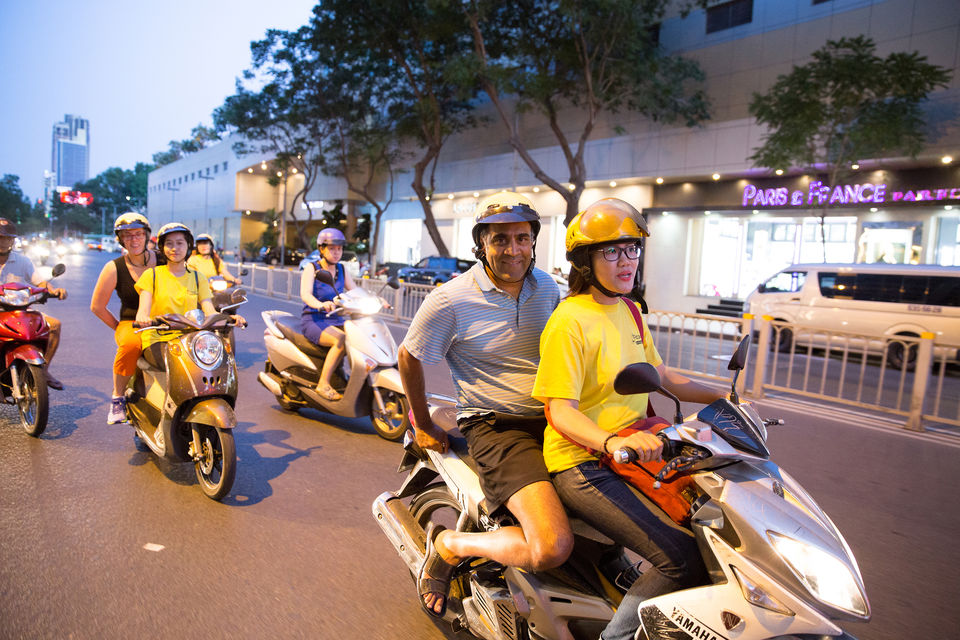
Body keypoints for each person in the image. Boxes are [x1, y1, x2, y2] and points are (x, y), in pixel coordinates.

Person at [532, 198, 725, 640]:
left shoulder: (629, 310)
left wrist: (724, 395)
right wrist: (609, 442)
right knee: (682, 558)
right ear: (586, 260)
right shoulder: (569, 322)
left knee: (715, 529)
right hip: (583, 464)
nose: (627, 261)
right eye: (612, 251)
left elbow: (659, 375)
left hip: (634, 452)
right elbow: (560, 410)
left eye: (632, 249)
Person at [398, 191, 573, 619]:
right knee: (551, 545)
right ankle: (449, 545)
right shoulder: (451, 300)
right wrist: (422, 423)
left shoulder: (546, 286)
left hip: (554, 418)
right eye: (500, 240)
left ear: (533, 241)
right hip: (496, 426)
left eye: (521, 238)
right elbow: (409, 355)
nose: (512, 250)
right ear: (481, 244)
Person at [135, 223, 244, 367]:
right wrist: (143, 318)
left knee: (219, 363)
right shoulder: (152, 275)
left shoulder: (199, 278)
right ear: (162, 248)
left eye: (180, 243)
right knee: (181, 365)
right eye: (169, 244)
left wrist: (230, 318)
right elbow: (143, 309)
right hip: (158, 338)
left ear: (188, 246)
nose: (175, 248)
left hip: (191, 339)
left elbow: (209, 311)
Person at [89, 213, 162, 424]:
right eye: (127, 235)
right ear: (120, 239)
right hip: (132, 322)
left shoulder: (164, 260)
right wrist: (120, 329)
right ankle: (118, 397)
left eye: (138, 234)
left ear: (147, 235)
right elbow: (97, 306)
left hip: (168, 320)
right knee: (130, 345)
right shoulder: (114, 267)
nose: (134, 240)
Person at [0, 218, 67, 389]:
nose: (3, 241)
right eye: (0, 237)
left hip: (20, 312)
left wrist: (53, 290)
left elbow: (39, 282)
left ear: (13, 240)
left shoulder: (23, 261)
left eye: (7, 238)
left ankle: (42, 370)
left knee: (54, 325)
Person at [299, 228, 356, 401]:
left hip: (336, 318)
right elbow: (306, 294)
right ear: (322, 249)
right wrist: (321, 305)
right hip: (314, 319)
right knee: (341, 339)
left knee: (359, 337)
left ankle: (351, 379)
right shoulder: (312, 268)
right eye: (332, 248)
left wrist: (377, 299)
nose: (337, 252)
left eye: (339, 248)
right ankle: (323, 383)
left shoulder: (342, 269)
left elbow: (355, 291)